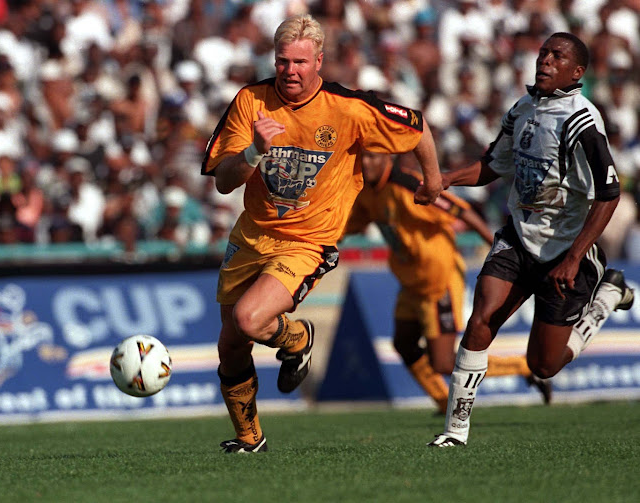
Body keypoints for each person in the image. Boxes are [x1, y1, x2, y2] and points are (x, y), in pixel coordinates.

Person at [201, 14, 443, 453]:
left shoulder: (348, 109)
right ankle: (249, 439)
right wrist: (254, 151)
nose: (289, 71)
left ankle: (299, 338)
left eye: (299, 62)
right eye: (281, 61)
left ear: (319, 61)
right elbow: (222, 180)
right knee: (231, 346)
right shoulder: (250, 102)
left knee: (250, 319)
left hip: (307, 242)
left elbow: (416, 125)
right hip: (252, 234)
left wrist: (432, 179)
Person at [428, 33, 635, 448]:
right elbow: (492, 166)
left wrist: (575, 257)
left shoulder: (581, 121)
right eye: (543, 52)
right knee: (482, 316)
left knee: (543, 365)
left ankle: (604, 301)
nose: (544, 60)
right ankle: (455, 431)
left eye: (557, 56)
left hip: (565, 252)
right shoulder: (522, 108)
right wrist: (447, 179)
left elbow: (609, 194)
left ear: (577, 73)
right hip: (519, 239)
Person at [345, 151, 552, 415]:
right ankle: (444, 401)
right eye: (363, 157)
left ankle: (524, 367)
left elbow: (462, 211)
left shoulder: (407, 185)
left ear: (388, 157)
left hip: (438, 282)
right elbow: (351, 223)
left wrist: (496, 247)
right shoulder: (368, 191)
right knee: (404, 344)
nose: (365, 162)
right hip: (412, 284)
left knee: (443, 362)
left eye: (373, 157)